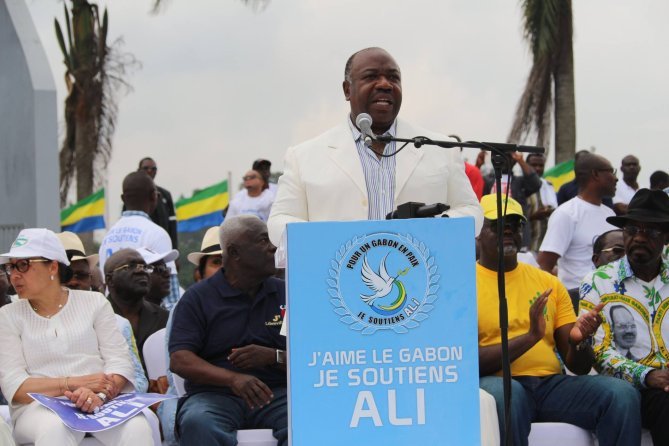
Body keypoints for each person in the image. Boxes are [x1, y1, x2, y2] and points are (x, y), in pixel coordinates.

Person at [267, 47, 483, 248]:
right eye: (371, 77)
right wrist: (328, 240)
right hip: (337, 273)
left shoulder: (441, 149)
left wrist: (438, 226)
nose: (385, 85)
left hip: (420, 272)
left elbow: (471, 211)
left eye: (393, 78)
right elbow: (279, 222)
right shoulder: (303, 156)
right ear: (347, 90)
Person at [476, 195, 641, 446]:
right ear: (477, 233)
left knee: (621, 394)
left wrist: (580, 341)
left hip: (549, 386)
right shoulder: (463, 284)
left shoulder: (547, 282)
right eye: (498, 225)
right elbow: (470, 362)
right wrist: (530, 337)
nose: (508, 231)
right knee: (509, 394)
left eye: (515, 224)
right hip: (498, 385)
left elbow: (579, 367)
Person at [0, 228, 152, 445]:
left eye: (23, 265)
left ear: (53, 267)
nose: (14, 275)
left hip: (101, 402)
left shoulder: (94, 303)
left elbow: (120, 363)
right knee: (53, 427)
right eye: (10, 267)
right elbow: (16, 386)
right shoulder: (8, 315)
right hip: (38, 408)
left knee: (138, 426)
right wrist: (74, 385)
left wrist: (99, 396)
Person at [169, 215, 287, 445]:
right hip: (214, 395)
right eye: (263, 241)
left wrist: (273, 356)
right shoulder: (197, 298)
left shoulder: (286, 293)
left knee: (308, 417)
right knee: (197, 422)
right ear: (234, 253)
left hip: (276, 394)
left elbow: (310, 357)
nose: (273, 248)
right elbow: (180, 359)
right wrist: (233, 379)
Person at [580, 188, 669, 444]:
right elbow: (598, 351)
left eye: (651, 232)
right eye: (632, 230)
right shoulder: (599, 281)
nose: (639, 238)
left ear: (666, 237)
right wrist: (648, 375)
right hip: (629, 388)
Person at [99, 171, 180, 310]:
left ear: (123, 199)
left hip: (113, 314)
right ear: (153, 196)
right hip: (144, 316)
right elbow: (171, 295)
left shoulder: (108, 236)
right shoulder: (156, 233)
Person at [538, 153, 618, 289]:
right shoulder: (566, 214)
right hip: (576, 297)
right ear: (595, 174)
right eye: (611, 172)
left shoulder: (610, 213)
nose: (616, 178)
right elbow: (544, 264)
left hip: (610, 296)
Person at [105, 248, 170, 371]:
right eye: (130, 266)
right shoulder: (96, 316)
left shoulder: (165, 318)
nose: (141, 271)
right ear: (110, 279)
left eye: (145, 267)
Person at [138, 157, 178, 250]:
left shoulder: (165, 195)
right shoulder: (133, 194)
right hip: (140, 248)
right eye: (146, 168)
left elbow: (172, 225)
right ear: (139, 170)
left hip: (161, 247)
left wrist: (174, 250)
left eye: (153, 169)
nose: (150, 171)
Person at [525, 153, 558, 251]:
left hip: (545, 243)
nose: (538, 168)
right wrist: (533, 217)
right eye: (534, 165)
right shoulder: (520, 184)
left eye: (541, 165)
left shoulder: (548, 185)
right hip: (527, 244)